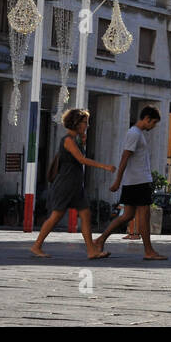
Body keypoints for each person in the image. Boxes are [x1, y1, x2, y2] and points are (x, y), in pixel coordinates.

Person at [30, 109, 115, 258]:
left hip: (75, 183)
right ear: (76, 123)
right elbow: (81, 160)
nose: (87, 125)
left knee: (86, 213)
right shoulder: (68, 140)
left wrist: (82, 140)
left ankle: (91, 250)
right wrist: (105, 166)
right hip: (66, 183)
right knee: (56, 216)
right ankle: (37, 246)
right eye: (84, 122)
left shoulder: (75, 139)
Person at [94, 106, 167, 260]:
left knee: (127, 215)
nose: (153, 126)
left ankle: (100, 239)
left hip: (135, 181)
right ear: (146, 118)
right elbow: (124, 157)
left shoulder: (137, 133)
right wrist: (118, 181)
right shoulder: (134, 133)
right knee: (144, 216)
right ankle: (148, 251)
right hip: (139, 181)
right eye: (153, 122)